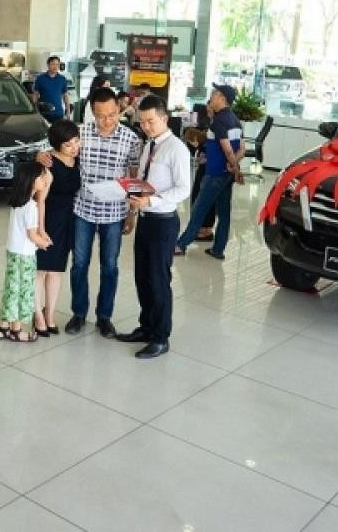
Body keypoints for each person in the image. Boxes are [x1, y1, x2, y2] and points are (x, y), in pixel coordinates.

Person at [39, 86, 141, 337]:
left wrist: (132, 213)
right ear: (92, 113)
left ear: (119, 108)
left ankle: (104, 317)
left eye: (112, 114)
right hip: (82, 210)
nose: (107, 120)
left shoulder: (131, 139)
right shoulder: (81, 133)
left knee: (110, 266)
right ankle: (79, 313)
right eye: (101, 115)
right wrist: (40, 155)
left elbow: (133, 178)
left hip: (114, 213)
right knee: (80, 264)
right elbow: (56, 149)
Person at [115, 95, 191, 358]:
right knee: (143, 277)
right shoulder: (150, 146)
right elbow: (144, 179)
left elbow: (183, 189)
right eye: (142, 122)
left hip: (163, 222)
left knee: (159, 280)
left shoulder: (176, 149)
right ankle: (146, 327)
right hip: (146, 220)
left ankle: (160, 337)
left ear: (164, 118)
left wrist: (152, 200)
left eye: (151, 121)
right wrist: (134, 201)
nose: (146, 127)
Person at [175, 85, 244, 259]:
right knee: (224, 213)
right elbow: (242, 149)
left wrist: (233, 165)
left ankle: (180, 245)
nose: (211, 97)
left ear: (222, 98)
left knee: (199, 209)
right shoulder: (235, 120)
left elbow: (227, 149)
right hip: (226, 175)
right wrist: (233, 166)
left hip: (214, 173)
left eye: (214, 94)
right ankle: (218, 249)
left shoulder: (219, 121)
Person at [34, 119, 82, 336]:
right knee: (41, 270)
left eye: (76, 142)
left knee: (56, 270)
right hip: (47, 220)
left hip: (68, 220)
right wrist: (40, 229)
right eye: (68, 145)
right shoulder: (48, 163)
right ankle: (37, 315)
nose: (74, 148)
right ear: (56, 145)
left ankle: (50, 313)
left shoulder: (77, 160)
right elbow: (39, 200)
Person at [0, 162, 53, 342]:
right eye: (41, 177)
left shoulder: (17, 203)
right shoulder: (31, 207)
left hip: (13, 252)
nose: (44, 180)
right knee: (23, 292)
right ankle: (17, 330)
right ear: (31, 180)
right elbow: (32, 235)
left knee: (11, 289)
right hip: (25, 256)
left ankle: (4, 327)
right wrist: (44, 243)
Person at [33, 55, 71, 122]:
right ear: (48, 65)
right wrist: (35, 111)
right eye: (53, 64)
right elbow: (35, 96)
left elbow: (66, 97)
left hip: (58, 114)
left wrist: (68, 112)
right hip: (44, 114)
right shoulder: (40, 78)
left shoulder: (62, 79)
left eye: (57, 64)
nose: (55, 67)